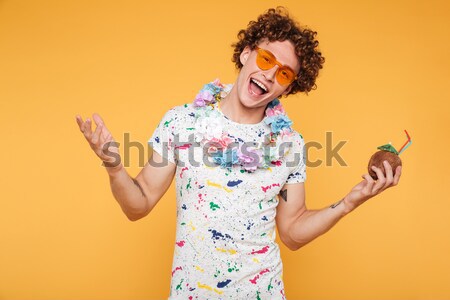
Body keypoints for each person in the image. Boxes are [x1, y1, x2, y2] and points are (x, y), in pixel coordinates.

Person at [75, 7, 402, 300]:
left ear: (288, 88)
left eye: (284, 74)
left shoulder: (289, 145)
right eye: (266, 59)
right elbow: (139, 204)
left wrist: (348, 202)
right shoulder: (184, 121)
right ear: (246, 53)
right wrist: (115, 168)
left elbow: (292, 232)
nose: (270, 75)